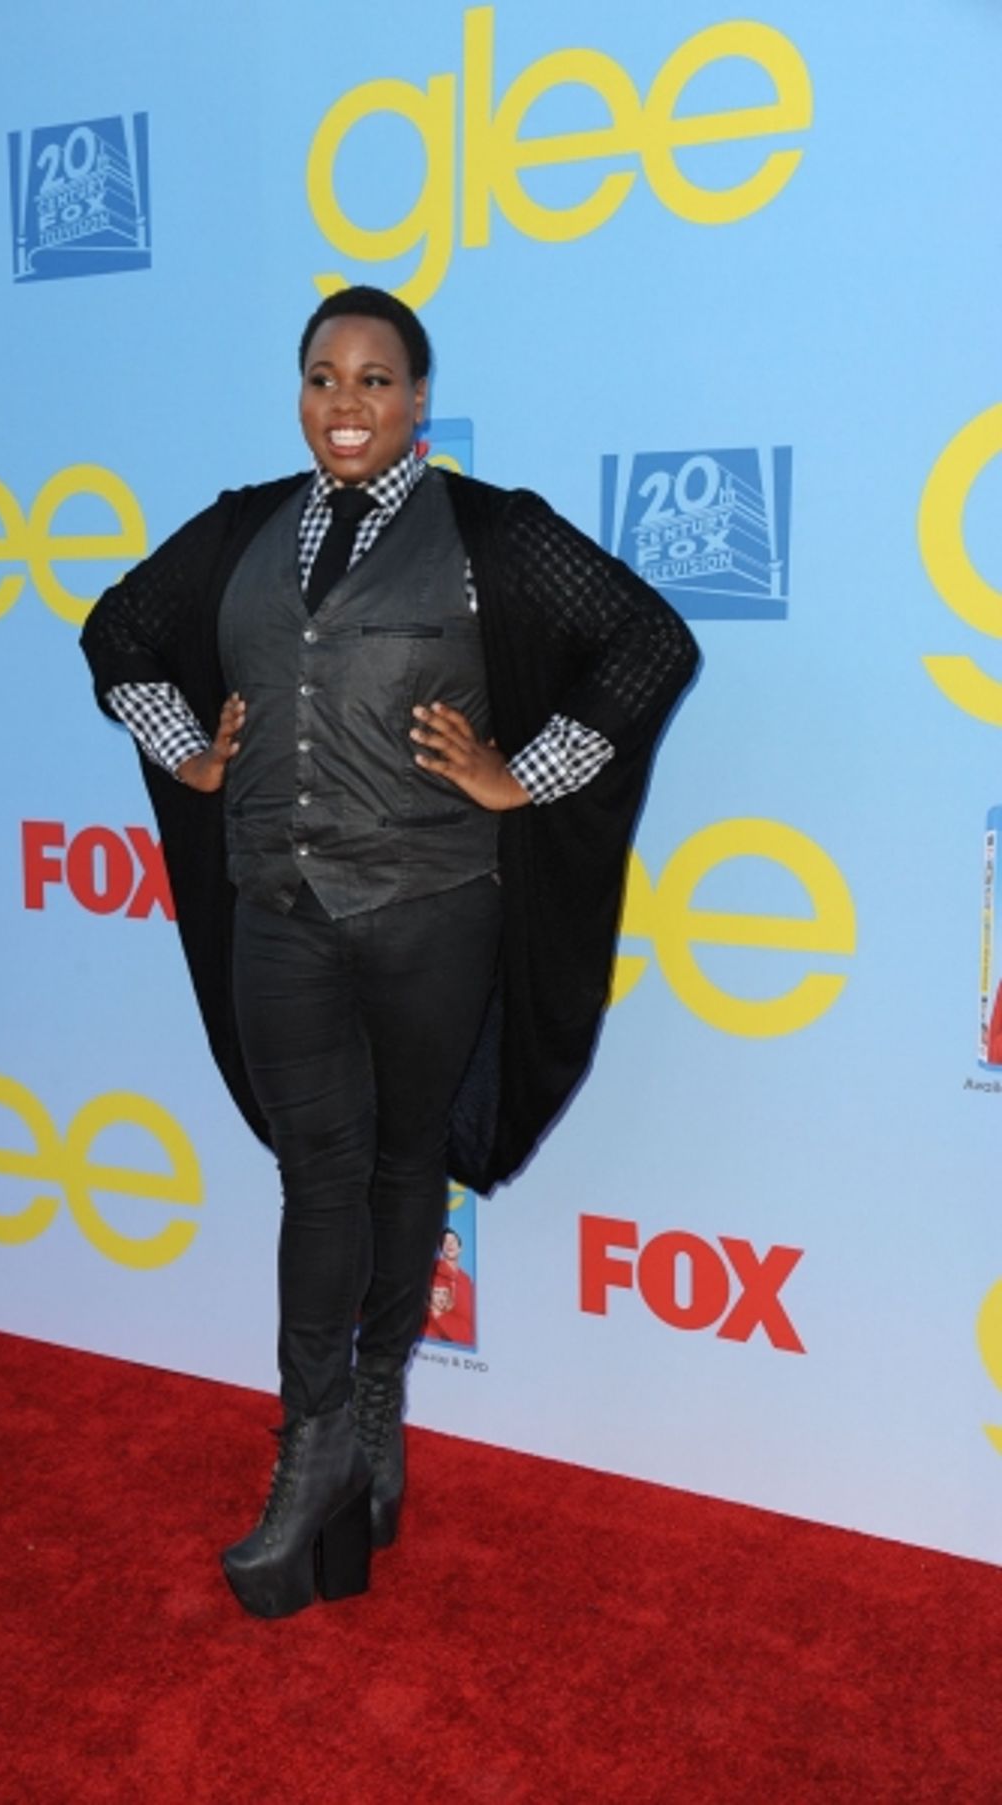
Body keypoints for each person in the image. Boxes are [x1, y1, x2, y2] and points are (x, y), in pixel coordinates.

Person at [82, 285, 698, 1619]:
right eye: (322, 377)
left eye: (374, 380)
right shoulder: (243, 527)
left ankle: (371, 1424)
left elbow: (647, 644)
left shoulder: (488, 535)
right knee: (321, 1178)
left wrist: (520, 771)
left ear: (418, 400)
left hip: (432, 915)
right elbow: (117, 632)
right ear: (299, 393)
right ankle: (315, 1459)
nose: (344, 404)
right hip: (279, 914)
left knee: (402, 1160)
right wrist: (188, 750)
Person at [423, 1228, 476, 1347]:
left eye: (453, 1241)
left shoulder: (466, 1281)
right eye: (445, 1242)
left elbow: (469, 1322)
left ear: (460, 1248)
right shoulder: (432, 1272)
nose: (449, 1244)